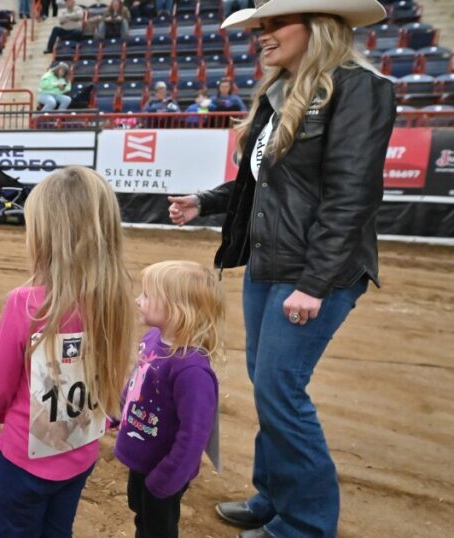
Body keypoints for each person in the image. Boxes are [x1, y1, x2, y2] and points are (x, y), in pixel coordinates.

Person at [166, 1, 394, 537]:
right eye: (260, 27)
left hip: (313, 272)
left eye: (274, 25)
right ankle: (273, 496)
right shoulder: (281, 93)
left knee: (279, 390)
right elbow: (261, 183)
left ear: (318, 26)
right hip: (268, 264)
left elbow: (352, 197)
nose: (263, 36)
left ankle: (307, 525)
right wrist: (205, 202)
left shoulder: (359, 89)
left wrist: (314, 283)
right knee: (269, 386)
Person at [0, 166, 134, 538]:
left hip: (25, 459)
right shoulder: (114, 301)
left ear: (44, 236)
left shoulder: (25, 304)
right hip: (80, 455)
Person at [116, 260, 225, 538]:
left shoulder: (191, 369)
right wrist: (117, 413)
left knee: (158, 530)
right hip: (142, 460)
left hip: (164, 472)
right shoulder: (152, 337)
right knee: (141, 517)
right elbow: (136, 383)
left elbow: (194, 435)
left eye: (147, 295)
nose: (138, 300)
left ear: (176, 308)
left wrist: (166, 479)